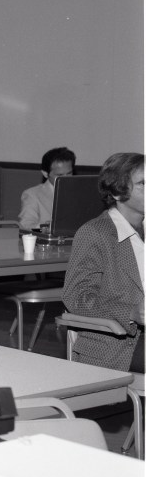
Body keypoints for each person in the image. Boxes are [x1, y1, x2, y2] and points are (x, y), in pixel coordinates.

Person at [63, 152, 144, 372]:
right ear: (118, 192)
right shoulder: (95, 233)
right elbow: (76, 297)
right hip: (122, 344)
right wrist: (131, 313)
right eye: (142, 183)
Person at [19, 147, 76, 231]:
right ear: (45, 174)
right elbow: (26, 225)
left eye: (69, 173)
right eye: (60, 175)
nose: (66, 179)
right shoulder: (32, 194)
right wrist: (48, 227)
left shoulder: (81, 192)